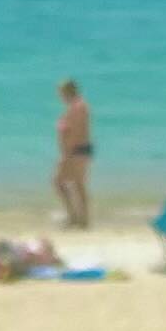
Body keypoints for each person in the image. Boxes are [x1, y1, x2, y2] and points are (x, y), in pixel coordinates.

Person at [54, 78, 94, 234]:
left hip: (76, 150)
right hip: (75, 150)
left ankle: (78, 218)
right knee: (76, 184)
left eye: (61, 92)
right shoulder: (75, 106)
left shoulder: (79, 107)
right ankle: (78, 218)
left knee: (63, 182)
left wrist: (67, 153)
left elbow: (77, 132)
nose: (60, 96)